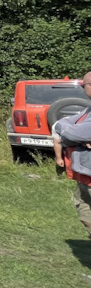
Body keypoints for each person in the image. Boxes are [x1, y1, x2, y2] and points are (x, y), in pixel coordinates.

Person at [53, 71, 91, 238]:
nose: (83, 89)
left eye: (84, 86)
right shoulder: (88, 109)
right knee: (85, 214)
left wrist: (69, 133)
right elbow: (59, 124)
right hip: (84, 174)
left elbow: (72, 133)